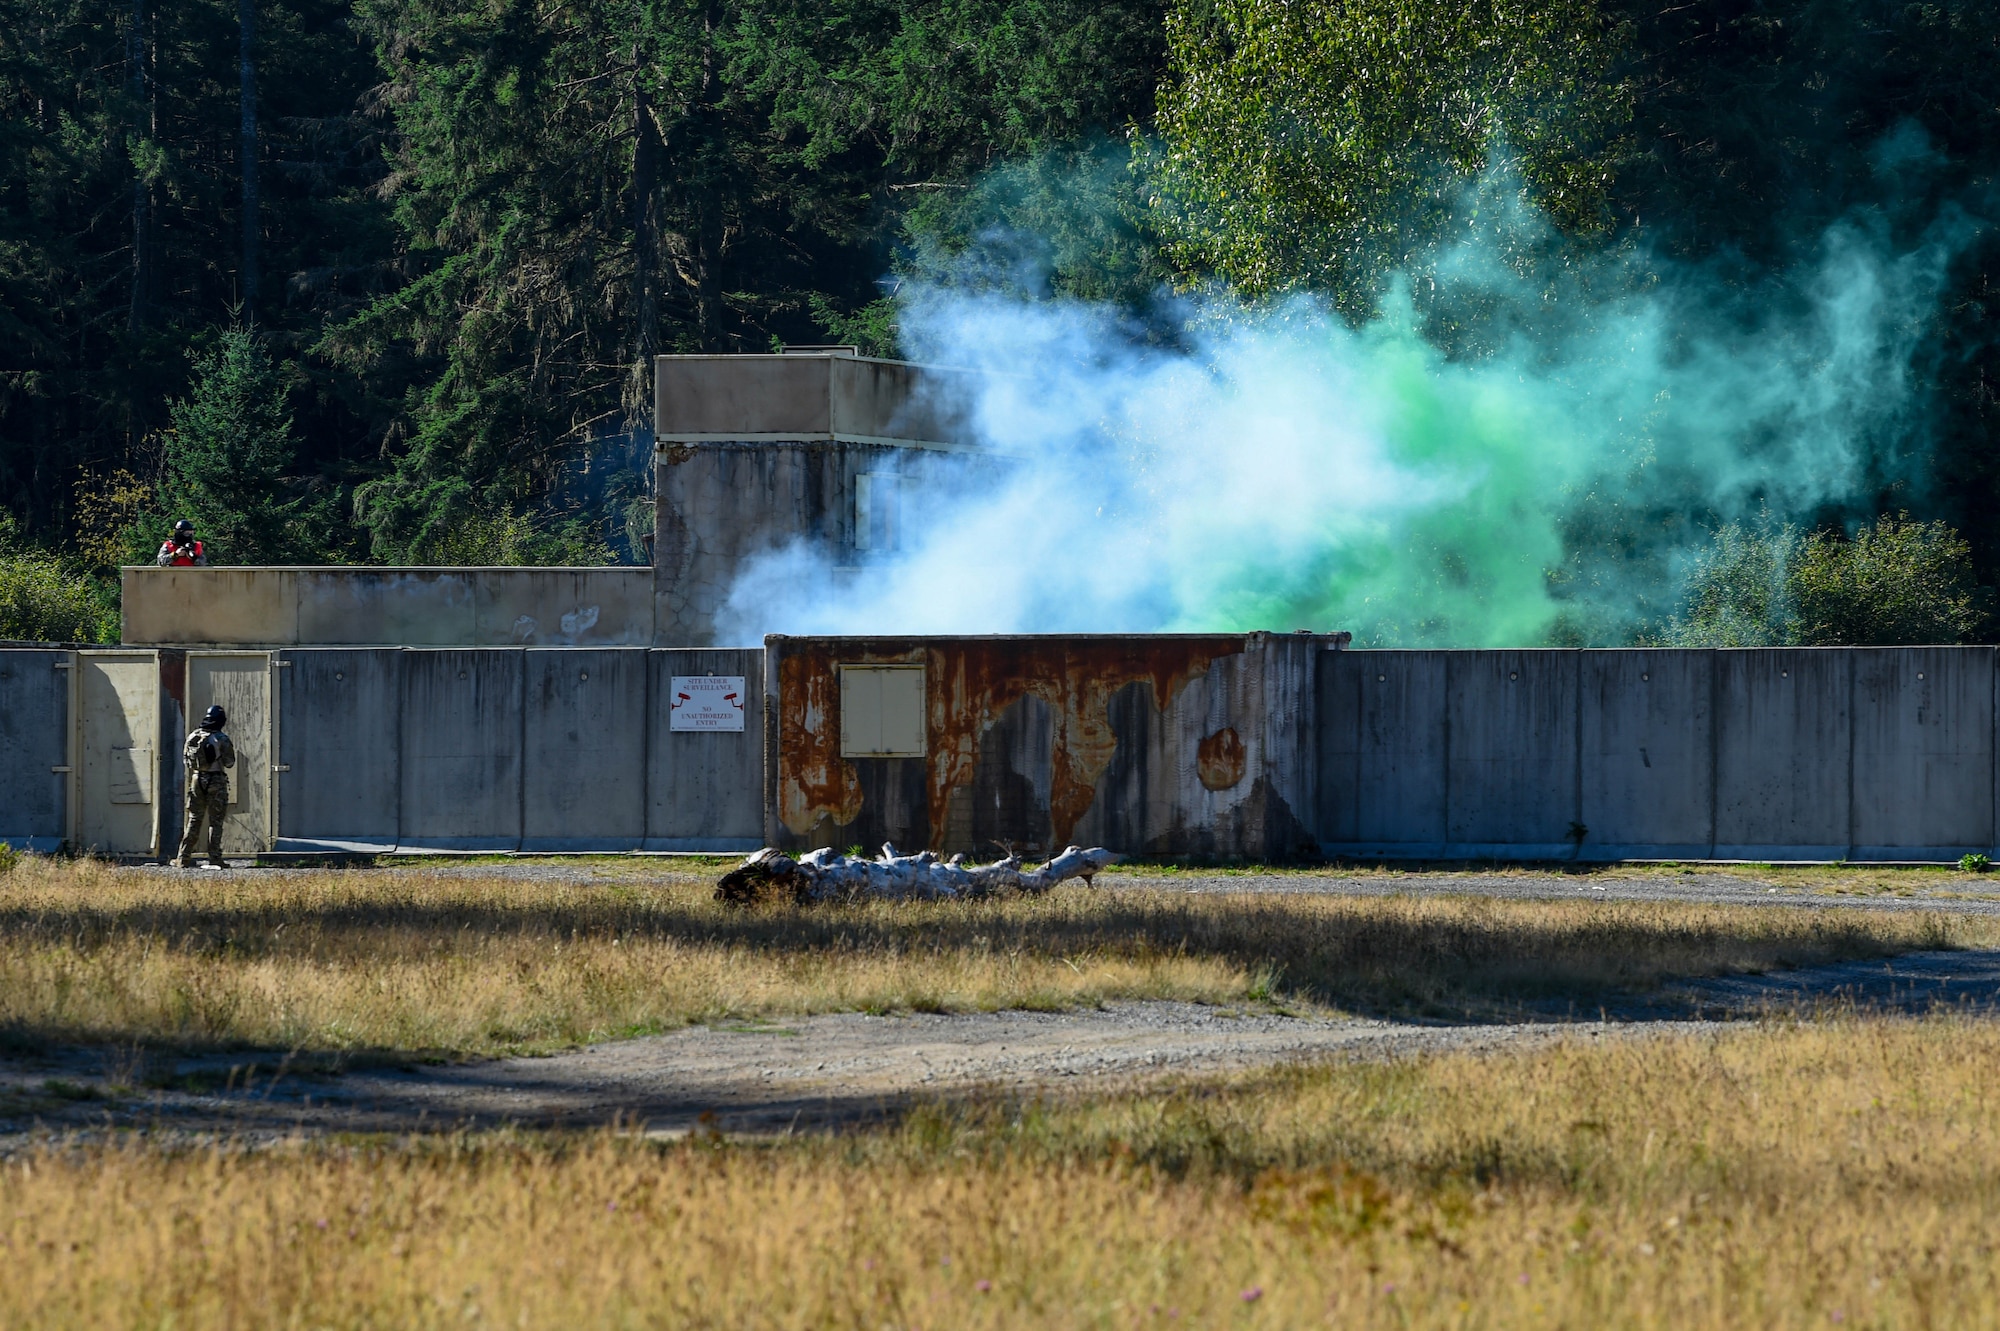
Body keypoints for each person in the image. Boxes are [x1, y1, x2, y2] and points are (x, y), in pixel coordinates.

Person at [176, 704, 235, 869]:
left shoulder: (193, 735)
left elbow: (186, 761)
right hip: (216, 779)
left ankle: (183, 858)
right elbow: (230, 762)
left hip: (197, 779)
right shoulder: (221, 738)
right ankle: (215, 858)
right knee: (215, 822)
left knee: (194, 819)